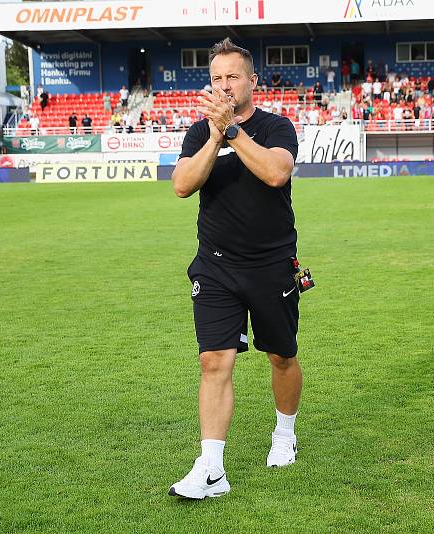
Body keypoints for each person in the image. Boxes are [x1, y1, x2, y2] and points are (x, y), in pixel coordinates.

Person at [168, 38, 303, 500]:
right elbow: (182, 186)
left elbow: (275, 174)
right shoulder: (198, 131)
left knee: (282, 356)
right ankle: (212, 467)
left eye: (233, 77)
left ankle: (284, 433)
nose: (224, 85)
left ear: (252, 81)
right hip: (216, 266)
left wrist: (232, 132)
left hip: (272, 265)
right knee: (213, 360)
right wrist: (213, 135)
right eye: (217, 78)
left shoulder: (276, 126)